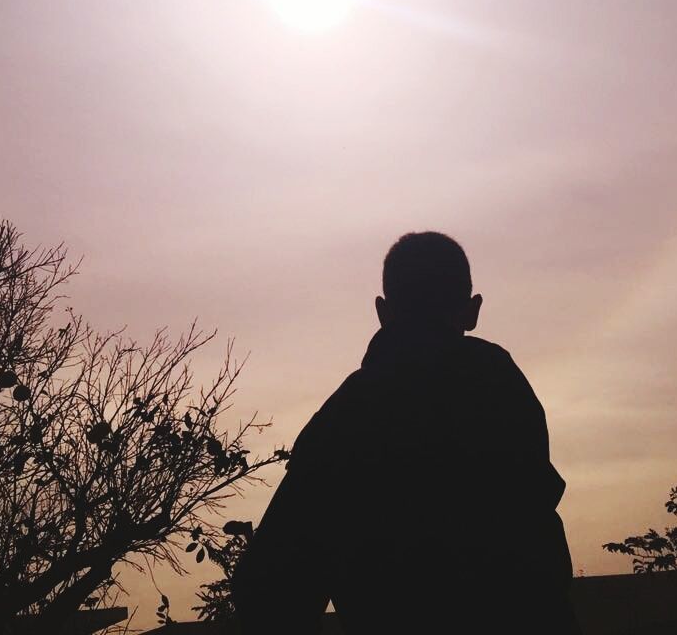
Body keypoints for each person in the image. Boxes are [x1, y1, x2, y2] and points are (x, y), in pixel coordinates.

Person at [231, 231, 579, 634]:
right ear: (472, 311)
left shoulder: (347, 415)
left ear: (382, 311)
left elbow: (268, 588)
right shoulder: (502, 389)